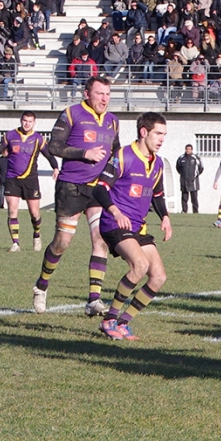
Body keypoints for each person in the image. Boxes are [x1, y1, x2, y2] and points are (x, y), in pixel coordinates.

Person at [32, 76, 121, 317]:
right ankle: (41, 286)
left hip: (98, 189)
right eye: (100, 93)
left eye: (108, 94)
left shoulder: (113, 121)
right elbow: (54, 147)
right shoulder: (71, 114)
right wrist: (85, 153)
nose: (104, 98)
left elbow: (116, 154)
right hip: (71, 187)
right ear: (86, 94)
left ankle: (94, 299)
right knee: (62, 243)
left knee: (100, 239)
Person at [92, 112, 171, 340]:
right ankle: (109, 320)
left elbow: (157, 194)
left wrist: (164, 216)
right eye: (158, 133)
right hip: (114, 223)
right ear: (144, 132)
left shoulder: (157, 163)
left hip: (138, 226)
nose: (161, 139)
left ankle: (123, 323)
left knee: (158, 276)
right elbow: (100, 188)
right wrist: (115, 211)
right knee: (140, 264)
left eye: (164, 135)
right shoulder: (123, 156)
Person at [0, 111, 59, 252]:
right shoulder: (10, 135)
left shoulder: (38, 138)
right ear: (21, 120)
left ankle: (36, 235)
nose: (27, 123)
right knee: (12, 210)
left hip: (30, 179)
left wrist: (55, 167)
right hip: (12, 178)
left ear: (34, 123)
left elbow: (48, 154)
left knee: (35, 213)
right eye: (24, 120)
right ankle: (15, 243)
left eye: (30, 121)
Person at [176, 143, 203, 214]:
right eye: (187, 149)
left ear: (191, 150)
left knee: (194, 198)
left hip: (193, 182)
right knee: (184, 197)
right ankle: (184, 211)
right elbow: (178, 168)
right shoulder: (181, 158)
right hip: (184, 181)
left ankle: (195, 211)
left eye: (189, 149)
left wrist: (194, 176)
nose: (188, 150)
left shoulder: (196, 158)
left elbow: (201, 168)